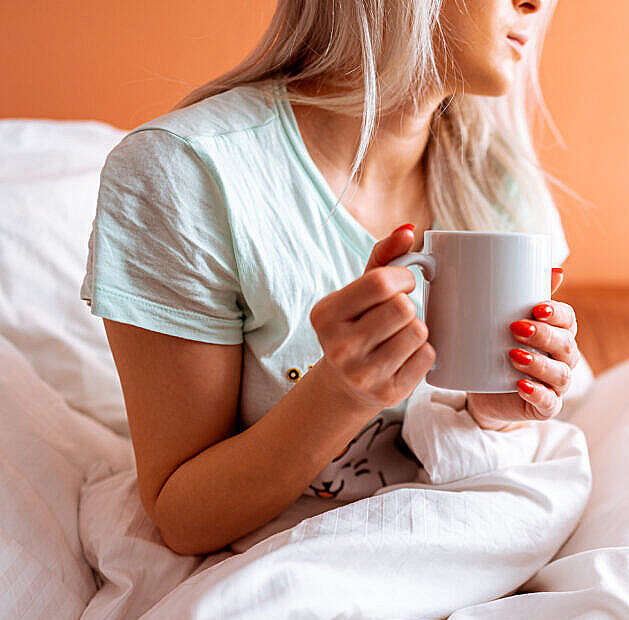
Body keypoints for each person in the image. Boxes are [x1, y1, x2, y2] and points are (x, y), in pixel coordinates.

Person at [80, 0, 585, 556]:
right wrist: (339, 395)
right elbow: (183, 518)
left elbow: (519, 443)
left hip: (469, 554)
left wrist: (491, 416)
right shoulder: (187, 174)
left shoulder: (502, 182)